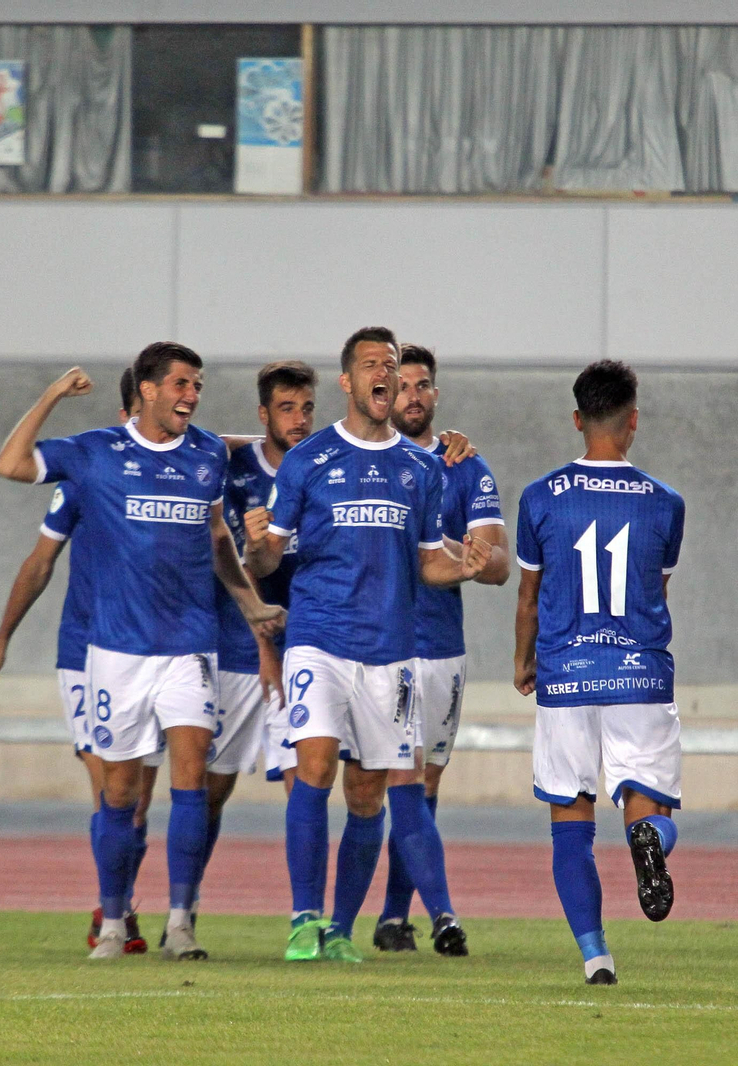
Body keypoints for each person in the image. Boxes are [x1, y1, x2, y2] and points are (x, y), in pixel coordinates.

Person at [0, 344, 285, 962]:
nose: (192, 395)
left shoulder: (205, 453)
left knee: (191, 786)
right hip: (116, 653)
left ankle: (181, 923)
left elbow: (215, 540)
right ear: (147, 390)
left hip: (189, 647)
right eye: (181, 384)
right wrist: (50, 395)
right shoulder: (95, 453)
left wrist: (250, 603)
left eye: (198, 386)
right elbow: (10, 463)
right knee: (121, 795)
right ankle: (113, 921)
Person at [244, 326, 491, 964]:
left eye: (393, 362)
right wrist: (257, 543)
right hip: (320, 639)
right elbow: (270, 556)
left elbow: (429, 560)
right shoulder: (309, 459)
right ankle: (304, 919)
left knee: (367, 791)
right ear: (349, 382)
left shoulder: (421, 469)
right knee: (316, 766)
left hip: (392, 650)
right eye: (372, 365)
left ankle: (340, 932)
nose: (384, 372)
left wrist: (465, 564)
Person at [512, 360, 685, 986]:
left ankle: (596, 958)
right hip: (638, 674)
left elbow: (529, 595)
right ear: (633, 420)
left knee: (570, 821)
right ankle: (648, 842)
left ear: (578, 419)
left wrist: (523, 659)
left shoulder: (538, 497)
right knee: (649, 804)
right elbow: (653, 589)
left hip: (566, 672)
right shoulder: (666, 504)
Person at [0, 368, 159, 955]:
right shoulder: (87, 474)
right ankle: (114, 912)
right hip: (87, 650)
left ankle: (119, 903)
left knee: (141, 796)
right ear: (132, 406)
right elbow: (40, 563)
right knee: (110, 786)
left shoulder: (182, 469)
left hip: (155, 648)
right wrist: (2, 637)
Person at [372, 344, 510, 952]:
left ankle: (392, 918)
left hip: (442, 649)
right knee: (388, 783)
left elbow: (500, 565)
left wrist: (466, 558)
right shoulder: (369, 460)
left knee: (423, 788)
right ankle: (440, 914)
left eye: (423, 385)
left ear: (435, 394)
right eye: (402, 386)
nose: (413, 396)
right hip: (380, 646)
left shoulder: (467, 469)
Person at [197, 361, 318, 910]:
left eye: (307, 408)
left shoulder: (322, 465)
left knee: (304, 784)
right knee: (210, 792)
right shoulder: (232, 465)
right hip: (235, 653)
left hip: (303, 652)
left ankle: (305, 918)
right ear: (263, 414)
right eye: (287, 408)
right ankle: (185, 903)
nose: (299, 419)